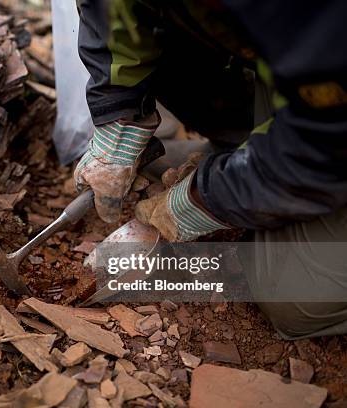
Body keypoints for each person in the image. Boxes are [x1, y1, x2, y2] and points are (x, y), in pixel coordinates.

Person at [73, 0, 347, 339]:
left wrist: (204, 202)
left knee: (297, 295)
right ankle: (251, 152)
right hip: (297, 76)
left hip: (332, 129)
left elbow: (329, 141)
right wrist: (118, 113)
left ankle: (259, 169)